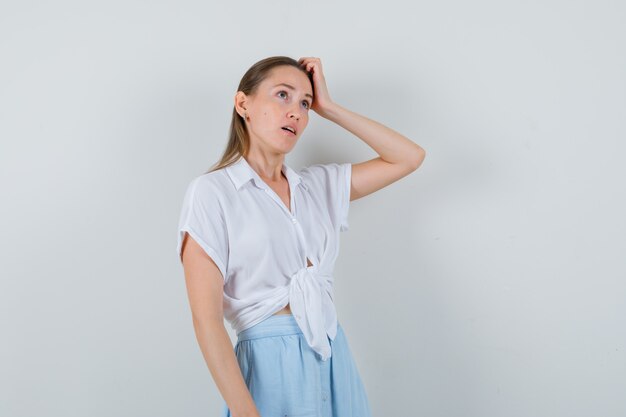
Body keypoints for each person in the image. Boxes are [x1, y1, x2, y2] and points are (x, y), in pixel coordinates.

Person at [177, 55, 425, 417]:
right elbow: (206, 320)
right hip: (268, 370)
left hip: (334, 357)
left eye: (305, 103)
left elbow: (409, 157)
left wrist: (332, 107)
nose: (296, 112)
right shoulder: (212, 192)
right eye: (282, 95)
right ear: (243, 103)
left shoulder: (317, 187)